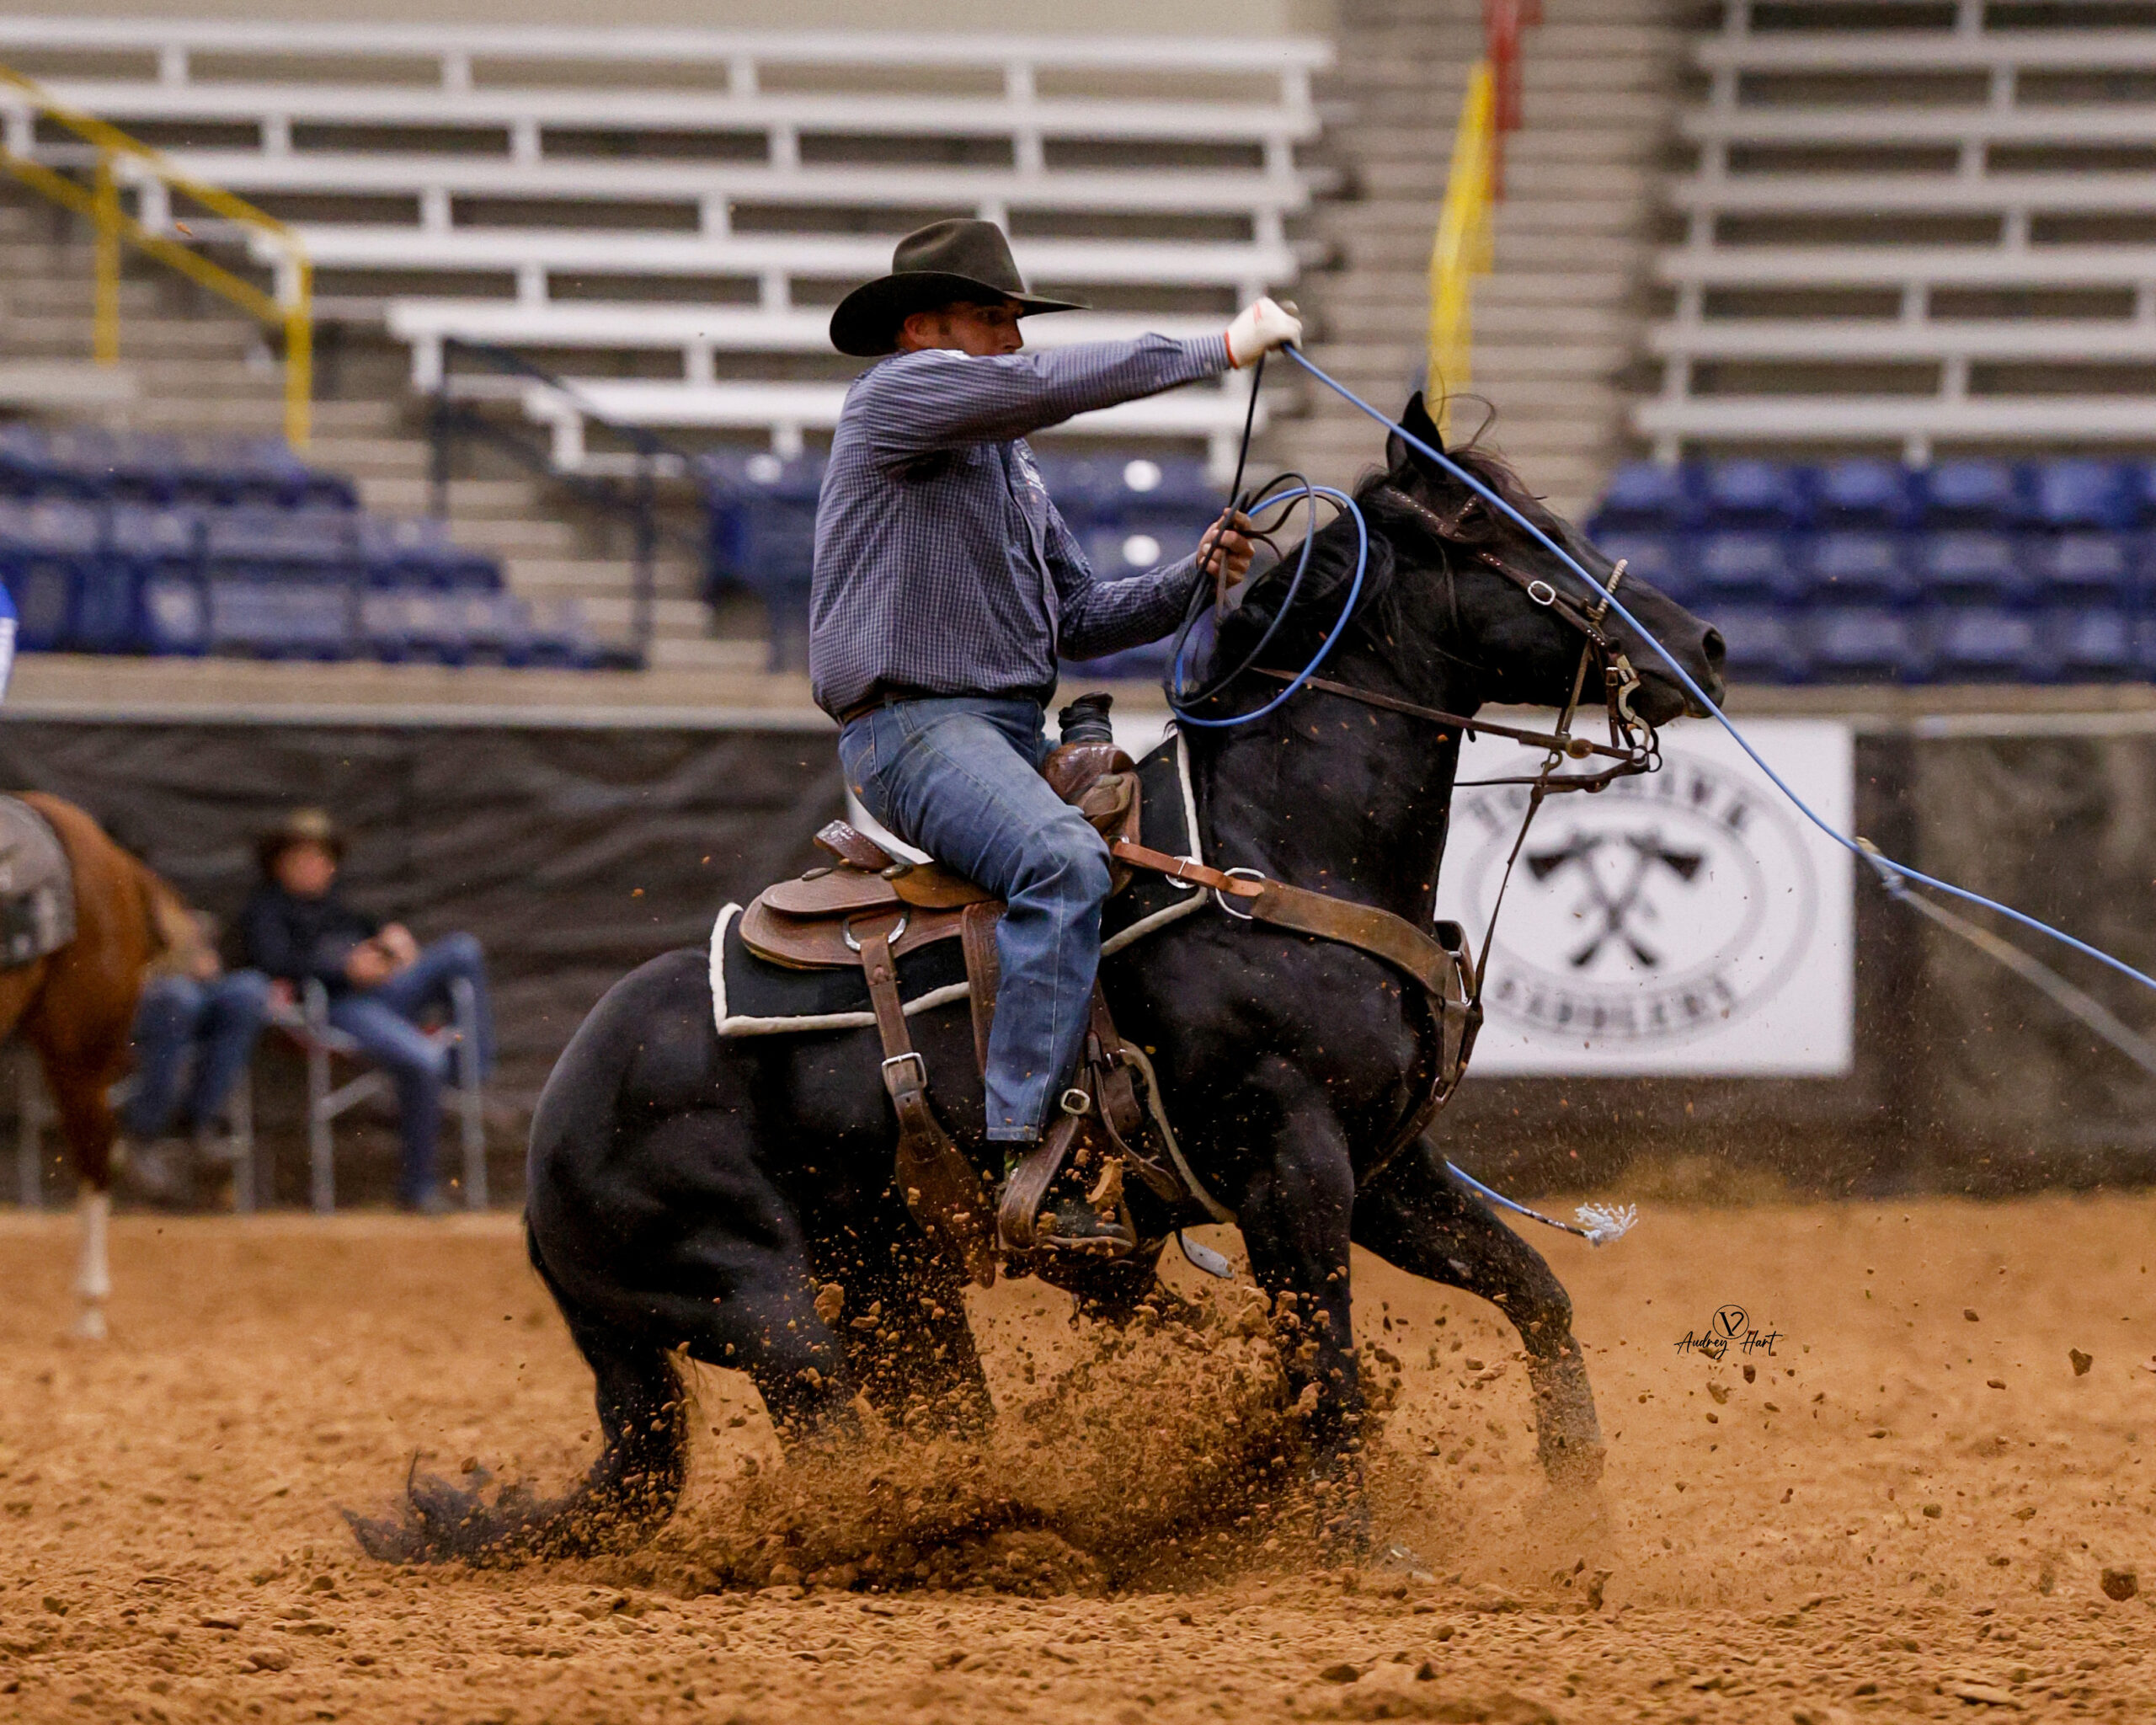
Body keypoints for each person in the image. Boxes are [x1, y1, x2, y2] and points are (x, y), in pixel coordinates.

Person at [812, 217, 1297, 1250]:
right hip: (912, 729)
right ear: (920, 329)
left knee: (1148, 884)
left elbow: (1077, 616)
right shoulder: (893, 400)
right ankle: (1019, 1153)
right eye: (992, 319)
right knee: (1060, 860)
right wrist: (1214, 347)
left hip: (994, 730)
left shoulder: (1008, 469)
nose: (1014, 341)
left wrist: (1191, 574)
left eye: (1014, 321)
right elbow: (1046, 387)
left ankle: (1139, 1130)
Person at [241, 808, 494, 1213]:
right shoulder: (267, 911)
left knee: (462, 950)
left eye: (321, 857)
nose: (314, 866)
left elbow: (374, 939)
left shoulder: (339, 908)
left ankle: (471, 1068)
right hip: (336, 1007)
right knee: (423, 1063)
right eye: (301, 857)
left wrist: (394, 944)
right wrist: (345, 970)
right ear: (279, 863)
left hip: (385, 995)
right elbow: (273, 964)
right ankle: (418, 1187)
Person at [116, 889, 272, 1205]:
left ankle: (200, 1124)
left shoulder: (199, 903)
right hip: (135, 1011)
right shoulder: (118, 897)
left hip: (197, 1002)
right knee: (178, 998)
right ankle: (142, 1134)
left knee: (249, 990)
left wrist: (204, 966)